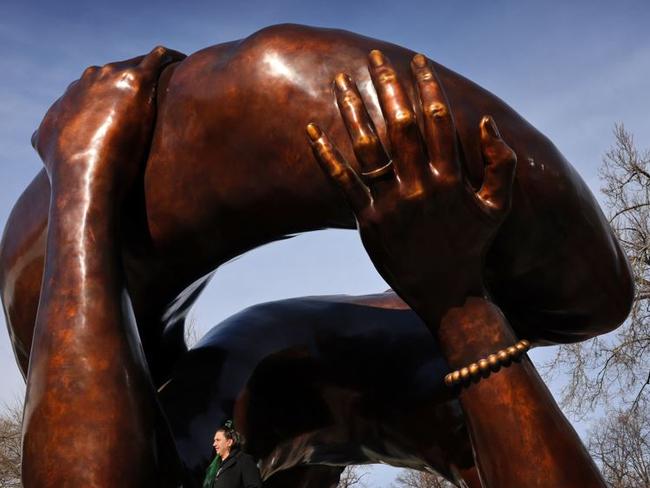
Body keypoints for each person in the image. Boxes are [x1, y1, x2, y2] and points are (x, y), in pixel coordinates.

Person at [19, 36, 614, 486]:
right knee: (596, 299)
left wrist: (81, 180)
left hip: (248, 392)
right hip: (312, 384)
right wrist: (463, 309)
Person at [203, 421, 262, 488]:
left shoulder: (243, 460)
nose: (214, 444)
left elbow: (254, 486)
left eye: (218, 440)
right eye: (214, 441)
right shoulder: (216, 467)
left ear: (229, 442)